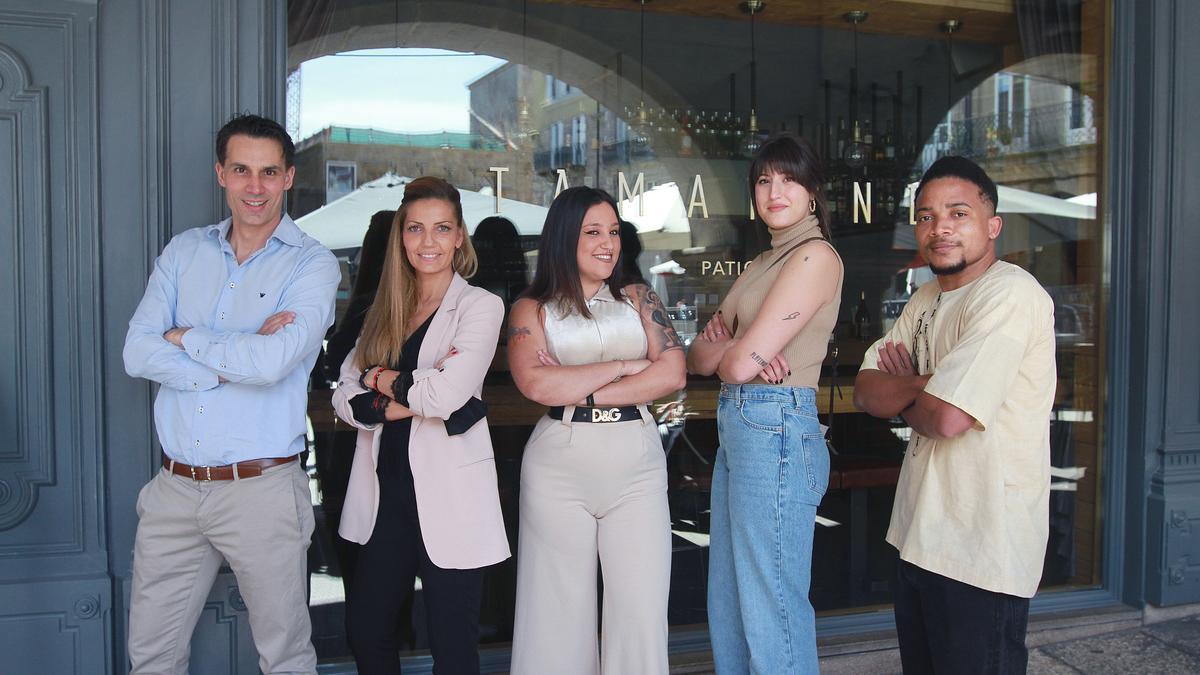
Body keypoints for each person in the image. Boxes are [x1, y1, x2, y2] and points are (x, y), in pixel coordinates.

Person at [122, 113, 340, 674]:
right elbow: (137, 353)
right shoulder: (183, 253)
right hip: (174, 488)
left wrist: (186, 337)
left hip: (262, 491)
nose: (256, 187)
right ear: (221, 173)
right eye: (242, 170)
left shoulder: (312, 263)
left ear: (289, 177)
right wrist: (228, 361)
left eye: (269, 172)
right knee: (151, 656)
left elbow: (270, 365)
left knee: (285, 656)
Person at [853, 155, 1055, 673]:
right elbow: (866, 393)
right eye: (925, 215)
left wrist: (912, 391)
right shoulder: (924, 298)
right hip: (918, 535)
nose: (938, 227)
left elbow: (947, 420)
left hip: (981, 546)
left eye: (957, 213)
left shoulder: (1009, 293)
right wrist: (926, 382)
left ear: (993, 225)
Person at [331, 176, 510, 674]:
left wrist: (378, 378)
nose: (427, 242)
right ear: (401, 238)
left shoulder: (479, 305)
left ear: (459, 237)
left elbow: (447, 394)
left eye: (441, 228)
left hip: (451, 496)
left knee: (453, 647)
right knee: (368, 632)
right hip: (386, 495)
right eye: (415, 229)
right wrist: (414, 389)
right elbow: (345, 398)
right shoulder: (383, 310)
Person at [507, 186, 686, 675]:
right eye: (592, 232)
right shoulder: (531, 309)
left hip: (637, 461)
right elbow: (535, 382)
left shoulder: (638, 296)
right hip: (558, 467)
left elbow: (672, 373)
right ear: (565, 238)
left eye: (613, 232)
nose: (608, 243)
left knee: (641, 610)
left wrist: (580, 387)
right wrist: (630, 365)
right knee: (556, 615)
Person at [686, 133, 843, 674]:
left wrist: (736, 349)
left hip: (776, 425)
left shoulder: (815, 256)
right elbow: (699, 357)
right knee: (729, 598)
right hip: (745, 424)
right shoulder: (760, 264)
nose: (775, 191)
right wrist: (742, 348)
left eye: (789, 178)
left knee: (772, 602)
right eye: (763, 179)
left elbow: (727, 363)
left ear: (813, 190)